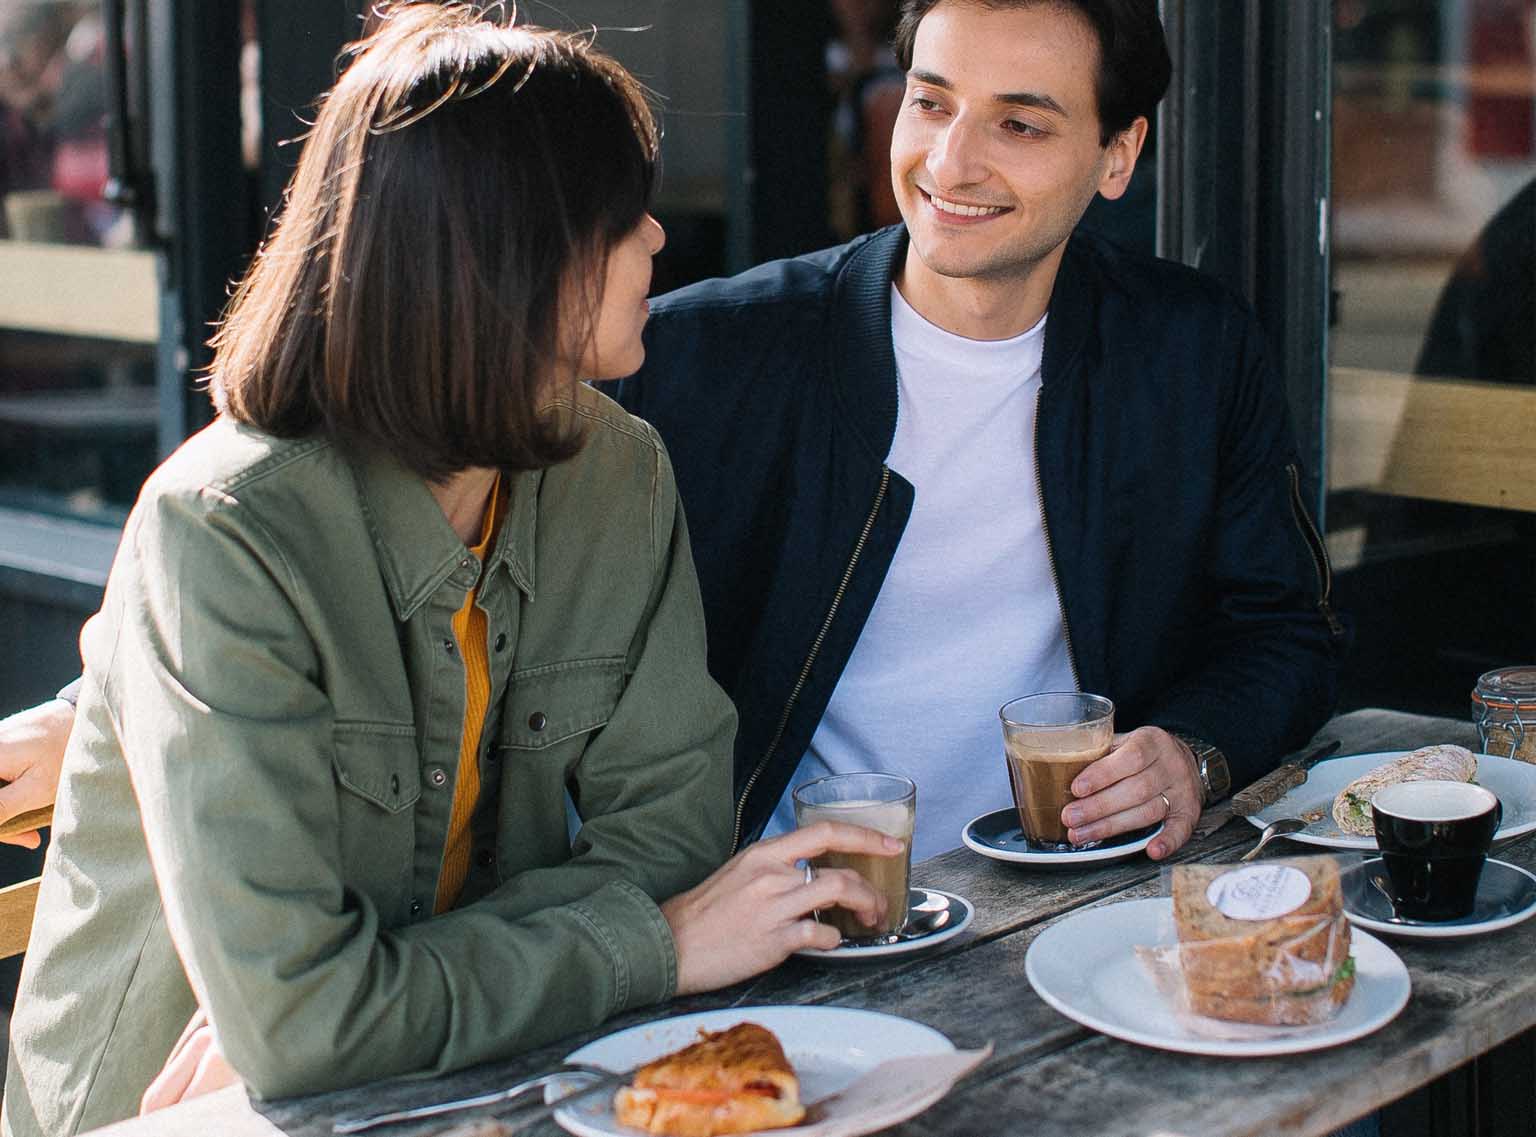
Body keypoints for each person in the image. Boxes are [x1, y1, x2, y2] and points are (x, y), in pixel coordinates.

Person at [0, 0, 1344, 886]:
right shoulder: (714, 350)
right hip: (788, 912)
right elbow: (358, 480)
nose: (949, 158)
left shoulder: (1191, 347)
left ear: (1120, 156)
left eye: (1022, 121)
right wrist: (114, 703)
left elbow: (1285, 633)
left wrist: (1198, 748)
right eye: (930, 99)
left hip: (1066, 899)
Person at [0, 8, 899, 1135]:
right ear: (505, 256)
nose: (661, 241)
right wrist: (651, 947)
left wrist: (366, 992)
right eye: (622, 217)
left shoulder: (617, 471)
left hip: (479, 1083)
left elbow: (670, 843)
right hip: (166, 1112)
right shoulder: (219, 532)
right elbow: (306, 1032)